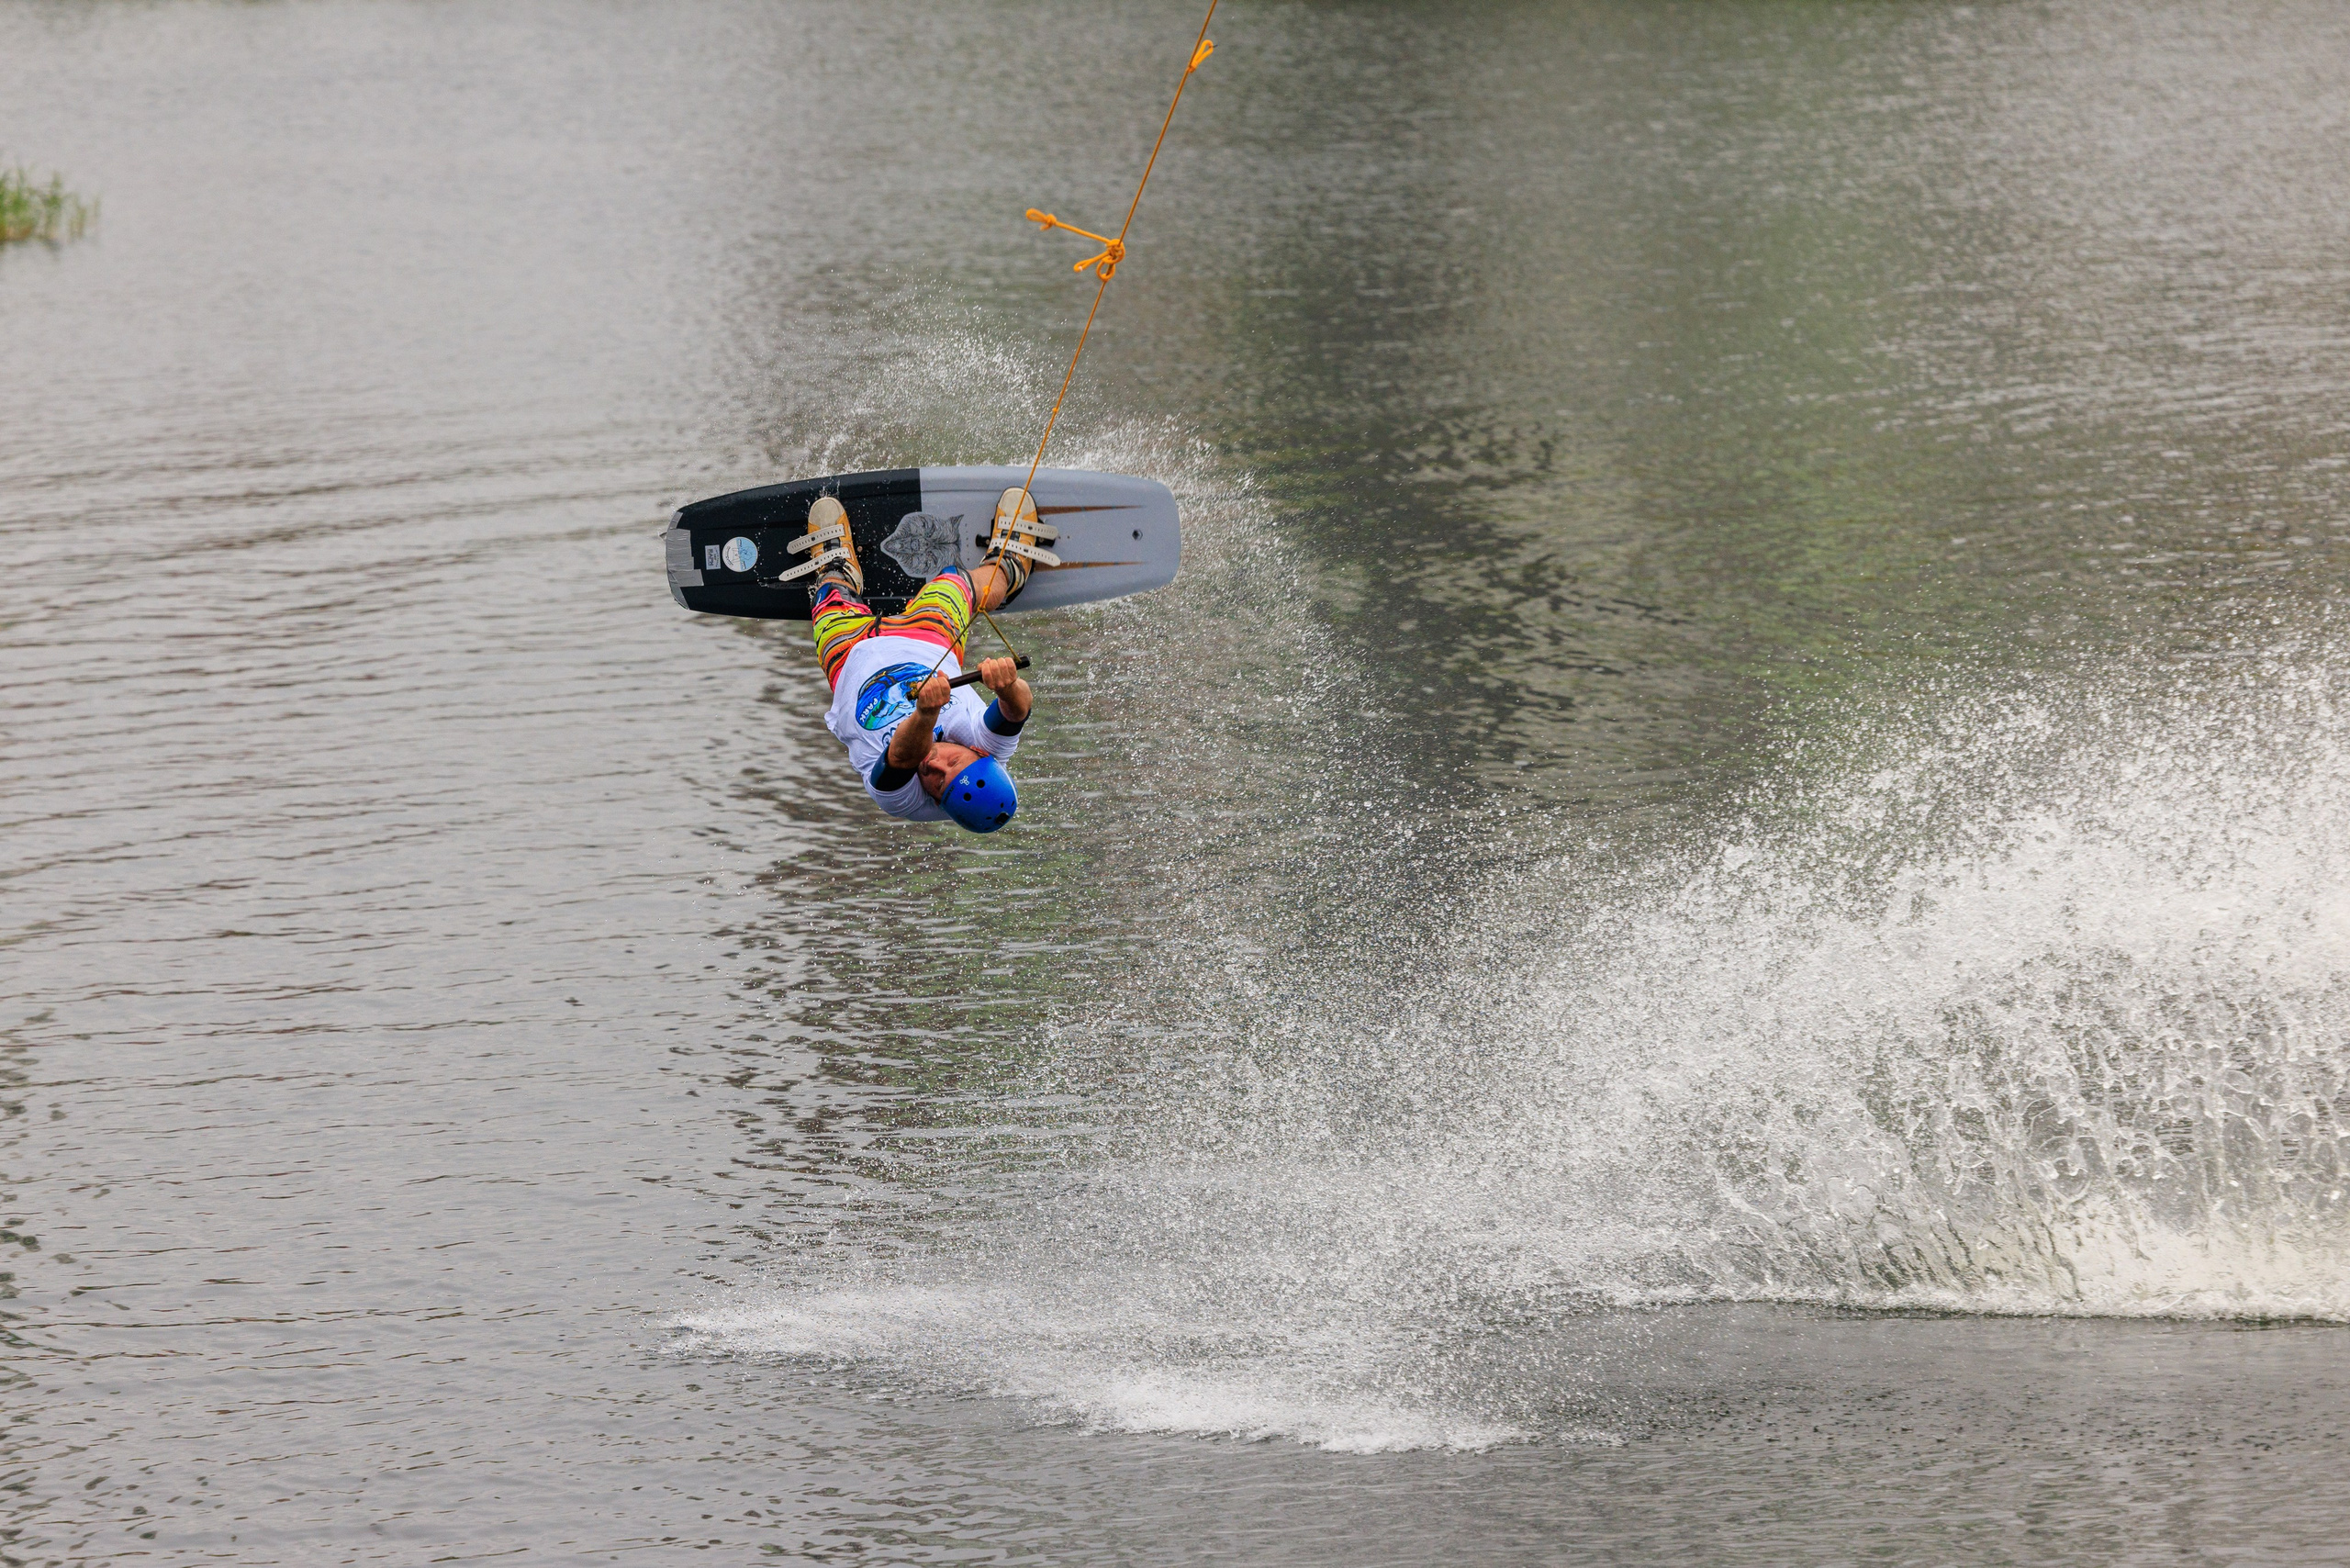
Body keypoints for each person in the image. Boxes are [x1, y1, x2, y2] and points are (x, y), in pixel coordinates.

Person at [789, 488, 1054, 833]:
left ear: (937, 803)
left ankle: (839, 569)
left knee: (829, 600)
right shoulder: (990, 754)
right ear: (978, 751)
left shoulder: (904, 801)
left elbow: (900, 757)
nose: (934, 766)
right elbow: (1018, 710)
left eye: (939, 785)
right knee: (955, 584)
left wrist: (927, 714)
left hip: (849, 660)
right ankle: (1010, 567)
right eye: (954, 762)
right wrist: (1007, 686)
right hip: (930, 640)